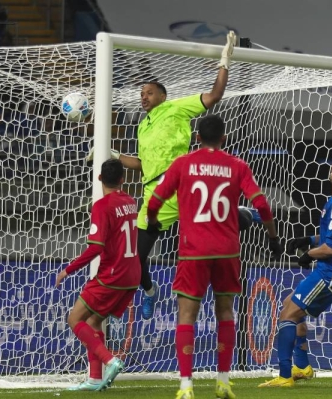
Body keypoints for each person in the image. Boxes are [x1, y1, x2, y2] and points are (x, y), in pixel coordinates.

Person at [86, 31, 238, 320]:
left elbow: (215, 95)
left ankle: (243, 215)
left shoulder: (175, 108)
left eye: (149, 93)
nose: (144, 97)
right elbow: (145, 164)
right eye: (141, 94)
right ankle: (150, 291)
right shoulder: (142, 127)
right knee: (135, 257)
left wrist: (225, 60)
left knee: (217, 232)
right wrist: (115, 155)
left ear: (163, 96)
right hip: (155, 194)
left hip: (184, 186)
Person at [146, 114, 283, 399]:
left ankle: (186, 387)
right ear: (224, 138)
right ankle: (222, 381)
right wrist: (272, 238)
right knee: (225, 313)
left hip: (194, 252)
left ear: (197, 138)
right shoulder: (237, 166)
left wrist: (154, 221)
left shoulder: (182, 164)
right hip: (227, 251)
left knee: (187, 315)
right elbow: (261, 205)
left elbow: (156, 200)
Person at [258, 150, 332, 388]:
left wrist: (308, 254)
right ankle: (303, 367)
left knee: (288, 315)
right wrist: (308, 239)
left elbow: (331, 248)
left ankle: (285, 376)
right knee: (289, 305)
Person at [55, 159, 140, 391]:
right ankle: (94, 378)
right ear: (123, 179)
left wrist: (67, 270)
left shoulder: (102, 206)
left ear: (100, 178)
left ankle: (110, 360)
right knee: (94, 321)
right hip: (132, 275)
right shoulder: (132, 202)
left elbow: (95, 248)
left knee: (75, 319)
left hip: (112, 275)